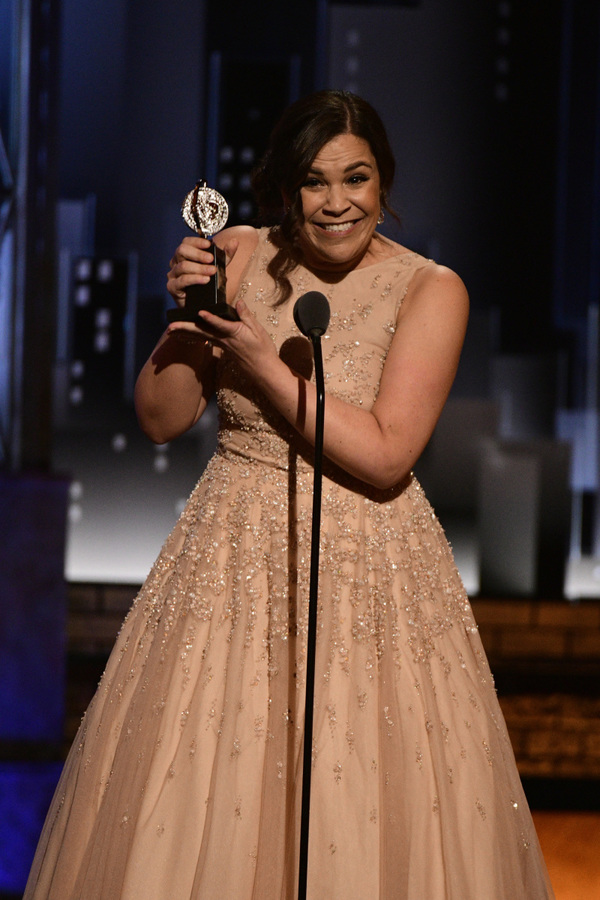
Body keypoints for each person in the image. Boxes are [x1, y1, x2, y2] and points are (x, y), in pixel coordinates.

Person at [25, 90, 555, 899]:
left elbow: (384, 455)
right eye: (315, 182)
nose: (338, 202)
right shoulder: (237, 250)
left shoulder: (430, 289)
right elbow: (163, 420)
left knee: (360, 790)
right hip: (227, 560)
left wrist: (264, 358)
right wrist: (187, 317)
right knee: (210, 789)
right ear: (284, 186)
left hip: (372, 567)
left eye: (358, 178)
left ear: (384, 182)